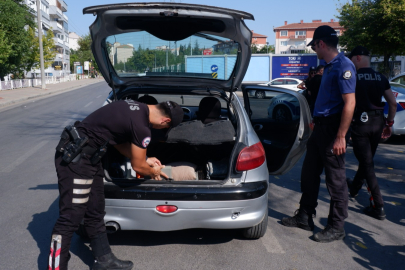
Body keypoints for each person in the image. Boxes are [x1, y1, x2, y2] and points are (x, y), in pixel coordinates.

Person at [48, 100, 184, 270]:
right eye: (164, 128)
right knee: (70, 217)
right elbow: (138, 166)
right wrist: (153, 172)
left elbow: (118, 141)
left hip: (91, 158)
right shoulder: (142, 127)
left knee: (95, 211)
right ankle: (56, 266)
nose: (160, 130)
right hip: (76, 159)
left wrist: (146, 158)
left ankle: (104, 260)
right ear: (166, 121)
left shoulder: (133, 107)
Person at [281, 25, 356, 243]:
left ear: (321, 44)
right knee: (309, 174)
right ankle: (305, 217)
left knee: (336, 181)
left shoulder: (344, 66)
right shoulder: (328, 66)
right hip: (321, 127)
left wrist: (341, 136)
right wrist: (316, 119)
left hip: (334, 130)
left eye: (314, 46)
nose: (314, 50)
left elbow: (350, 103)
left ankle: (336, 226)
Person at [347, 46, 397, 220]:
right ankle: (354, 188)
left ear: (358, 58)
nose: (350, 62)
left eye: (352, 58)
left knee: (367, 164)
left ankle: (378, 205)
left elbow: (347, 103)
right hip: (377, 123)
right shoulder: (380, 77)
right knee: (366, 160)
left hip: (361, 123)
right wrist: (389, 123)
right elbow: (392, 103)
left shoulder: (353, 77)